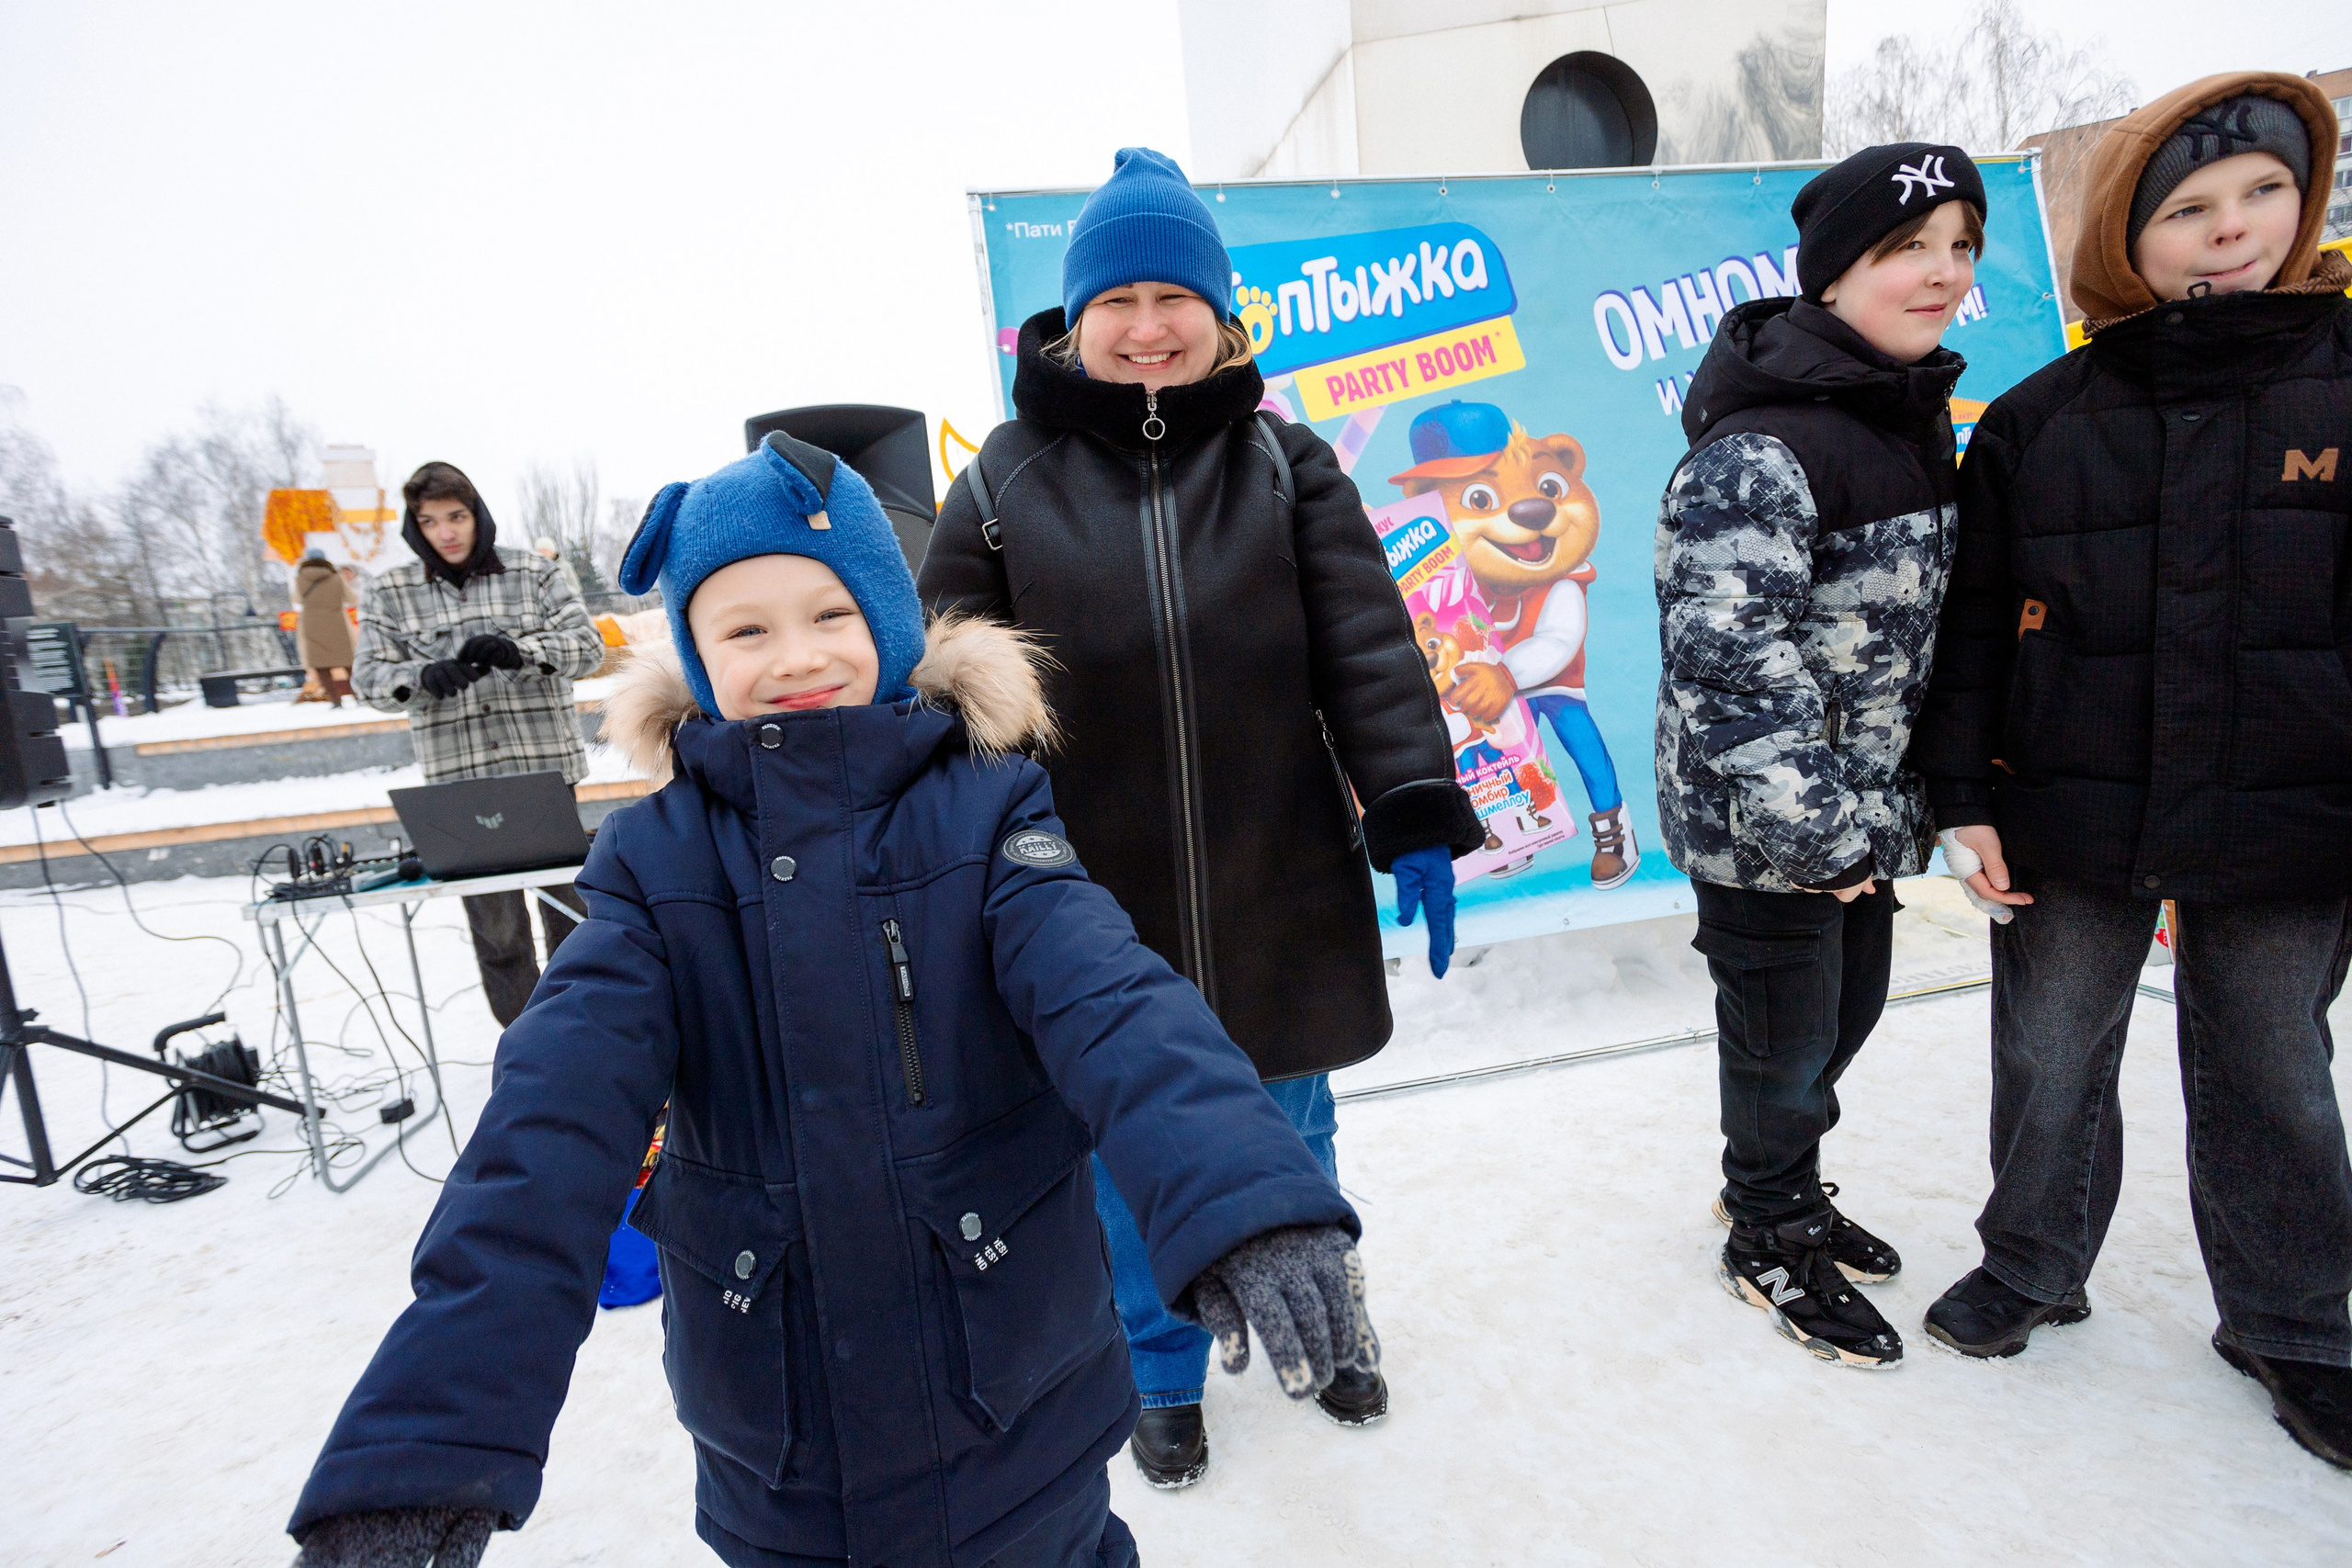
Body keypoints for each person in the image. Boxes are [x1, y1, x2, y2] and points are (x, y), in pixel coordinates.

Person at [288, 434, 1379, 1568]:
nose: (794, 656)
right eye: (744, 629)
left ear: (889, 627)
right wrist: (426, 1441)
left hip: (1018, 1420)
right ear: (699, 660)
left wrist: (1246, 1194)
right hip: (782, 1456)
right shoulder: (652, 868)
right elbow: (545, 1135)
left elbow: (1116, 1005)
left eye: (830, 615)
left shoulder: (989, 816)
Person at [919, 146, 1479, 1484]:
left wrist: (1408, 799)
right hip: (1092, 895)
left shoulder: (1287, 466)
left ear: (1222, 316)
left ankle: (1326, 1318)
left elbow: (1366, 641)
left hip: (1273, 868)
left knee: (1293, 1115)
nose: (1149, 324)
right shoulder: (1003, 480)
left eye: (1178, 295)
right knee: (1128, 1139)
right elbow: (946, 680)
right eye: (1120, 299)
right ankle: (1158, 1361)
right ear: (1073, 319)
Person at [1908, 73, 2352, 1467]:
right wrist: (1964, 790)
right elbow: (1973, 620)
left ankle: (2295, 1314)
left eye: (2263, 192)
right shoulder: (2041, 418)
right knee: (2047, 1047)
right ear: (2127, 234)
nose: (2232, 229)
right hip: (2073, 803)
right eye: (2189, 207)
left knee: (2273, 1057)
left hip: (2298, 808)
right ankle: (2035, 1255)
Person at [1655, 142, 1986, 1370]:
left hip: (1857, 814)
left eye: (1961, 246)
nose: (1943, 272)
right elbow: (1730, 661)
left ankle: (1780, 1173)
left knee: (1838, 1015)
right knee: (1787, 1033)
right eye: (1909, 247)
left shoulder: (1902, 415)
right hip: (1770, 827)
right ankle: (1769, 1224)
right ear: (1837, 269)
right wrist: (1821, 837)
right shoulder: (1763, 449)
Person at [353, 463, 605, 1026]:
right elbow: (367, 677)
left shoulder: (534, 573)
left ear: (477, 516)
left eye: (456, 516)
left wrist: (521, 651)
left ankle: (587, 1037)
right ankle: (527, 1045)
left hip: (541, 771)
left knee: (573, 917)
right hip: (458, 784)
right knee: (499, 934)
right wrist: (422, 677)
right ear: (415, 527)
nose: (446, 532)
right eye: (431, 520)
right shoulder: (390, 592)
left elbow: (588, 647)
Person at [295, 547, 355, 705]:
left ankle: (335, 701)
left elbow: (296, 598)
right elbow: (351, 598)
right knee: (348, 663)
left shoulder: (300, 578)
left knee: (321, 666)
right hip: (336, 623)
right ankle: (358, 696)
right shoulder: (336, 577)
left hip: (312, 623)